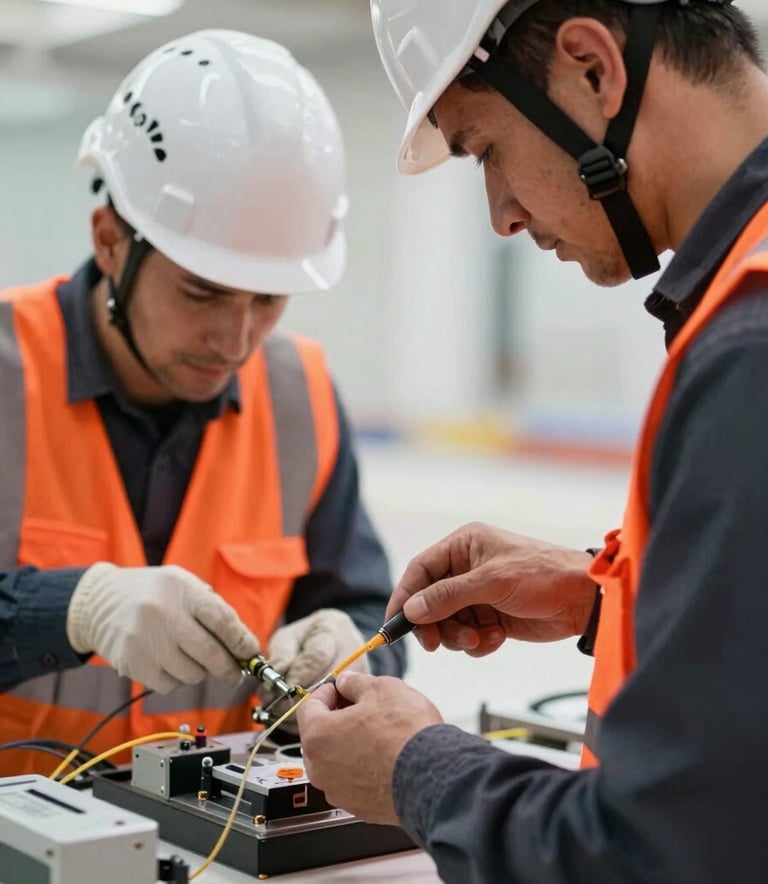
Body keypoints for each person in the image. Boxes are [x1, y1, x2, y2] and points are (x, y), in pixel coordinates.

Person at [297, 1, 768, 880]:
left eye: (485, 150)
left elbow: (657, 855)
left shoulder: (751, 348)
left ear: (593, 68)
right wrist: (602, 599)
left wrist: (413, 767)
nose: (502, 216)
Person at [0, 29, 404, 776]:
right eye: (202, 291)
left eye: (269, 298)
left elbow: (364, 605)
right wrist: (70, 608)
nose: (236, 337)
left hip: (209, 848)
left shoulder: (299, 394)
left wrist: (351, 648)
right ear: (111, 242)